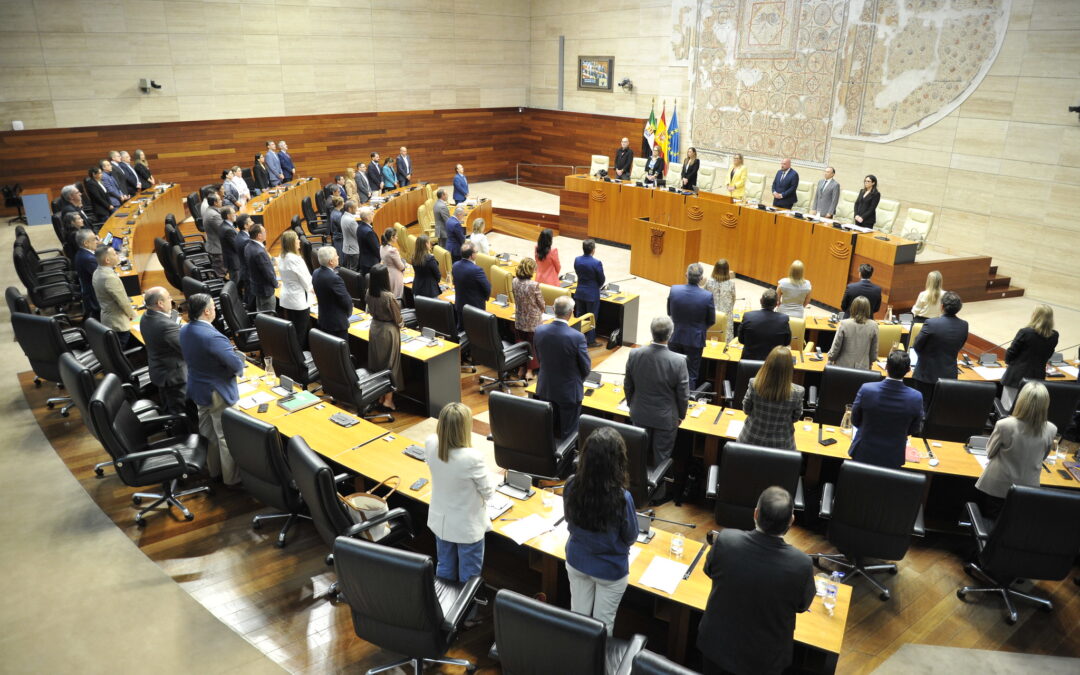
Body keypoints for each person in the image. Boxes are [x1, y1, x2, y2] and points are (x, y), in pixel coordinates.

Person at [698, 486, 815, 675]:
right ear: (791, 521)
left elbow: (709, 570)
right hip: (764, 662)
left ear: (755, 513)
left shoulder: (726, 540)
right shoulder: (801, 564)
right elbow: (802, 606)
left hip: (716, 648)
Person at [563, 426, 638, 635]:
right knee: (602, 627)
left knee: (577, 620)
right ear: (618, 461)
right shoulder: (622, 498)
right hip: (610, 570)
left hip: (577, 561)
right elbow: (631, 536)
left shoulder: (571, 485)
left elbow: (569, 519)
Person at [424, 402, 495, 584]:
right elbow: (488, 492)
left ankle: (444, 608)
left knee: (444, 568)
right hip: (467, 528)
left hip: (441, 522)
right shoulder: (472, 458)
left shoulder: (431, 443)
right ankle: (468, 612)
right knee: (469, 577)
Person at [179, 293, 244, 486]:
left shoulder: (184, 330)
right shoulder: (213, 336)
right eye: (213, 308)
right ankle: (231, 479)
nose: (215, 310)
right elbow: (235, 365)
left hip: (198, 389)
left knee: (207, 433)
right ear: (207, 311)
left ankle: (214, 471)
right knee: (226, 437)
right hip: (218, 392)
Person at [975, 381, 1056, 518]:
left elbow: (989, 453)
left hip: (997, 487)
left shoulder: (1004, 425)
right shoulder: (1051, 429)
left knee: (992, 522)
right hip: (1028, 488)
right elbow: (1043, 456)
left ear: (1021, 400)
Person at [625, 316, 690, 467]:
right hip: (666, 419)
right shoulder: (678, 361)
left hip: (639, 413)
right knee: (661, 461)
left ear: (651, 332)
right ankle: (658, 490)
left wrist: (632, 405)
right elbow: (683, 395)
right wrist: (681, 415)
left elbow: (628, 385)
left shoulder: (635, 354)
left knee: (637, 458)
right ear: (671, 334)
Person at [848, 350, 923, 469]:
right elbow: (914, 429)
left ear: (886, 367)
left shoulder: (867, 389)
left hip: (863, 452)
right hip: (893, 456)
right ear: (908, 370)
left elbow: (855, 420)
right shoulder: (916, 397)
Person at [534, 296, 591, 439]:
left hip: (545, 388)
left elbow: (540, 358)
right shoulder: (577, 337)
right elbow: (585, 367)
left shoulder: (539, 330)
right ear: (571, 312)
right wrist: (576, 380)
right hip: (568, 392)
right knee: (569, 435)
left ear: (553, 310)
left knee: (547, 432)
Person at [738, 346, 804, 450]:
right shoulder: (798, 392)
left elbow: (746, 409)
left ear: (767, 364)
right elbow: (795, 418)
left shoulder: (754, 384)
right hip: (782, 447)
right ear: (790, 368)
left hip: (750, 441)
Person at [912, 291, 968, 408]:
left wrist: (923, 357)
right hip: (949, 375)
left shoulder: (931, 323)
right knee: (940, 408)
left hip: (926, 374)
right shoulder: (964, 325)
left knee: (922, 408)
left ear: (942, 306)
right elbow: (959, 346)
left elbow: (917, 345)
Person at [1001, 305, 1059, 410]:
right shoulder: (1054, 335)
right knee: (1028, 410)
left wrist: (1009, 362)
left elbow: (1011, 352)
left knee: (1008, 408)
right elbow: (1049, 354)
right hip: (1037, 379)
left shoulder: (1025, 332)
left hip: (1016, 377)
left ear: (1035, 316)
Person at [141, 286, 187, 415]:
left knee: (168, 404)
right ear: (160, 303)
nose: (171, 299)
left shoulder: (146, 316)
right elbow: (187, 349)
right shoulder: (166, 326)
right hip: (173, 376)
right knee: (178, 412)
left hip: (159, 370)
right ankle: (181, 433)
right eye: (168, 298)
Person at [668, 262, 715, 389]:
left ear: (686, 275)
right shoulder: (707, 296)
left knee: (671, 372)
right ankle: (688, 405)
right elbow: (711, 320)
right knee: (691, 375)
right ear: (701, 279)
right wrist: (699, 329)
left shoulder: (674, 290)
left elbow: (669, 312)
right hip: (695, 340)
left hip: (675, 336)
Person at [366, 264, 402, 409]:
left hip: (374, 328)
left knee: (378, 363)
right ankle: (388, 399)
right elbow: (398, 318)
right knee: (391, 364)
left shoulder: (369, 292)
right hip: (388, 331)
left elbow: (369, 311)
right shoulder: (388, 296)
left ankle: (380, 395)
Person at [92, 244, 136, 347]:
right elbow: (123, 302)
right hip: (118, 323)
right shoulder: (109, 278)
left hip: (107, 317)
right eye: (115, 254)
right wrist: (133, 315)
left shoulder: (97, 272)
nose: (117, 255)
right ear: (107, 260)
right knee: (119, 351)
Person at [278, 230, 314, 349]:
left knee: (293, 330)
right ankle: (300, 360)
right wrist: (314, 289)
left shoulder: (281, 257)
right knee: (301, 332)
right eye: (297, 239)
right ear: (291, 243)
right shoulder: (296, 259)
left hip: (288, 298)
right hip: (299, 301)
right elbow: (306, 280)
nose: (299, 241)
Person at [511, 257, 545, 378]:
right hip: (533, 322)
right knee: (532, 345)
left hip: (519, 319)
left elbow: (515, 297)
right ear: (530, 270)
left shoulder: (514, 281)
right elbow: (541, 304)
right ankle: (530, 371)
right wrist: (540, 311)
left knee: (521, 342)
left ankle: (521, 368)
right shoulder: (534, 285)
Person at [738, 289, 792, 361]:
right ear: (776, 304)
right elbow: (786, 343)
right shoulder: (784, 319)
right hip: (773, 363)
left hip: (749, 361)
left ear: (760, 301)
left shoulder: (748, 316)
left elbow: (741, 339)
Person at [312, 246, 352, 340]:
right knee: (341, 353)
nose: (338, 257)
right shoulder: (334, 278)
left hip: (323, 319)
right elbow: (346, 301)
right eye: (336, 255)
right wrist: (347, 314)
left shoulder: (315, 273)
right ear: (331, 261)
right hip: (337, 324)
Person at [828, 296, 879, 369]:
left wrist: (831, 359)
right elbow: (873, 355)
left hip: (842, 368)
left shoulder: (844, 323)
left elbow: (835, 348)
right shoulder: (874, 325)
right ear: (868, 310)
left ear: (853, 308)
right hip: (863, 369)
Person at [573, 239, 606, 347]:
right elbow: (601, 279)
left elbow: (578, 273)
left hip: (579, 292)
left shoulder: (577, 260)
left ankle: (577, 339)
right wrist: (597, 286)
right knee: (592, 318)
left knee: (579, 316)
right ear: (593, 250)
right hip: (592, 294)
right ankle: (590, 341)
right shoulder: (596, 263)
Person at [451, 242, 490, 331]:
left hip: (460, 305)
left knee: (462, 331)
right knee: (476, 333)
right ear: (472, 255)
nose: (477, 253)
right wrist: (484, 298)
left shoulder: (455, 265)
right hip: (475, 308)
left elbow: (455, 282)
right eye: (476, 252)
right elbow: (487, 288)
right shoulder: (477, 270)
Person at [243, 224, 278, 313]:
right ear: (259, 236)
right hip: (266, 291)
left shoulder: (248, 247)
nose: (266, 233)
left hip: (256, 288)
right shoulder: (259, 252)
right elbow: (268, 273)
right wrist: (276, 284)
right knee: (269, 317)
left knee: (261, 313)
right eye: (264, 232)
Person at [705, 258, 735, 343]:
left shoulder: (708, 282)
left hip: (711, 315)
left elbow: (704, 298)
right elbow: (733, 300)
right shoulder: (731, 284)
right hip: (725, 317)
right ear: (727, 270)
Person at [74, 229, 100, 319]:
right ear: (86, 243)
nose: (98, 241)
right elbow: (102, 278)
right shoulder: (88, 259)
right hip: (94, 296)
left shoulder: (83, 253)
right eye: (94, 239)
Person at [410, 234, 442, 299]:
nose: (431, 244)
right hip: (430, 291)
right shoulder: (430, 258)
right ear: (426, 244)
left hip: (417, 288)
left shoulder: (413, 257)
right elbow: (437, 275)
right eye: (429, 242)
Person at [202, 192, 225, 275]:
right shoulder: (214, 215)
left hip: (214, 244)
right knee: (221, 273)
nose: (222, 200)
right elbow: (224, 231)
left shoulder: (210, 210)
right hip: (218, 248)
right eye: (219, 200)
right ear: (215, 203)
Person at [380, 227, 406, 299]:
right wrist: (404, 266)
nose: (397, 238)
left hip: (386, 273)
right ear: (392, 237)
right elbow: (401, 266)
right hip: (395, 276)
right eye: (396, 236)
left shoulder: (382, 247)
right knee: (397, 297)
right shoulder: (392, 250)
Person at [356, 206, 381, 276]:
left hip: (363, 261)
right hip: (371, 263)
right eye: (371, 214)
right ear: (367, 217)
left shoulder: (359, 227)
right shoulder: (368, 232)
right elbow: (376, 249)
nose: (373, 215)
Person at [339, 199, 360, 271]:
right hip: (354, 249)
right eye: (355, 208)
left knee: (349, 269)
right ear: (349, 209)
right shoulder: (351, 221)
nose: (356, 209)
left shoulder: (344, 216)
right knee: (354, 270)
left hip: (348, 247)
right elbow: (358, 235)